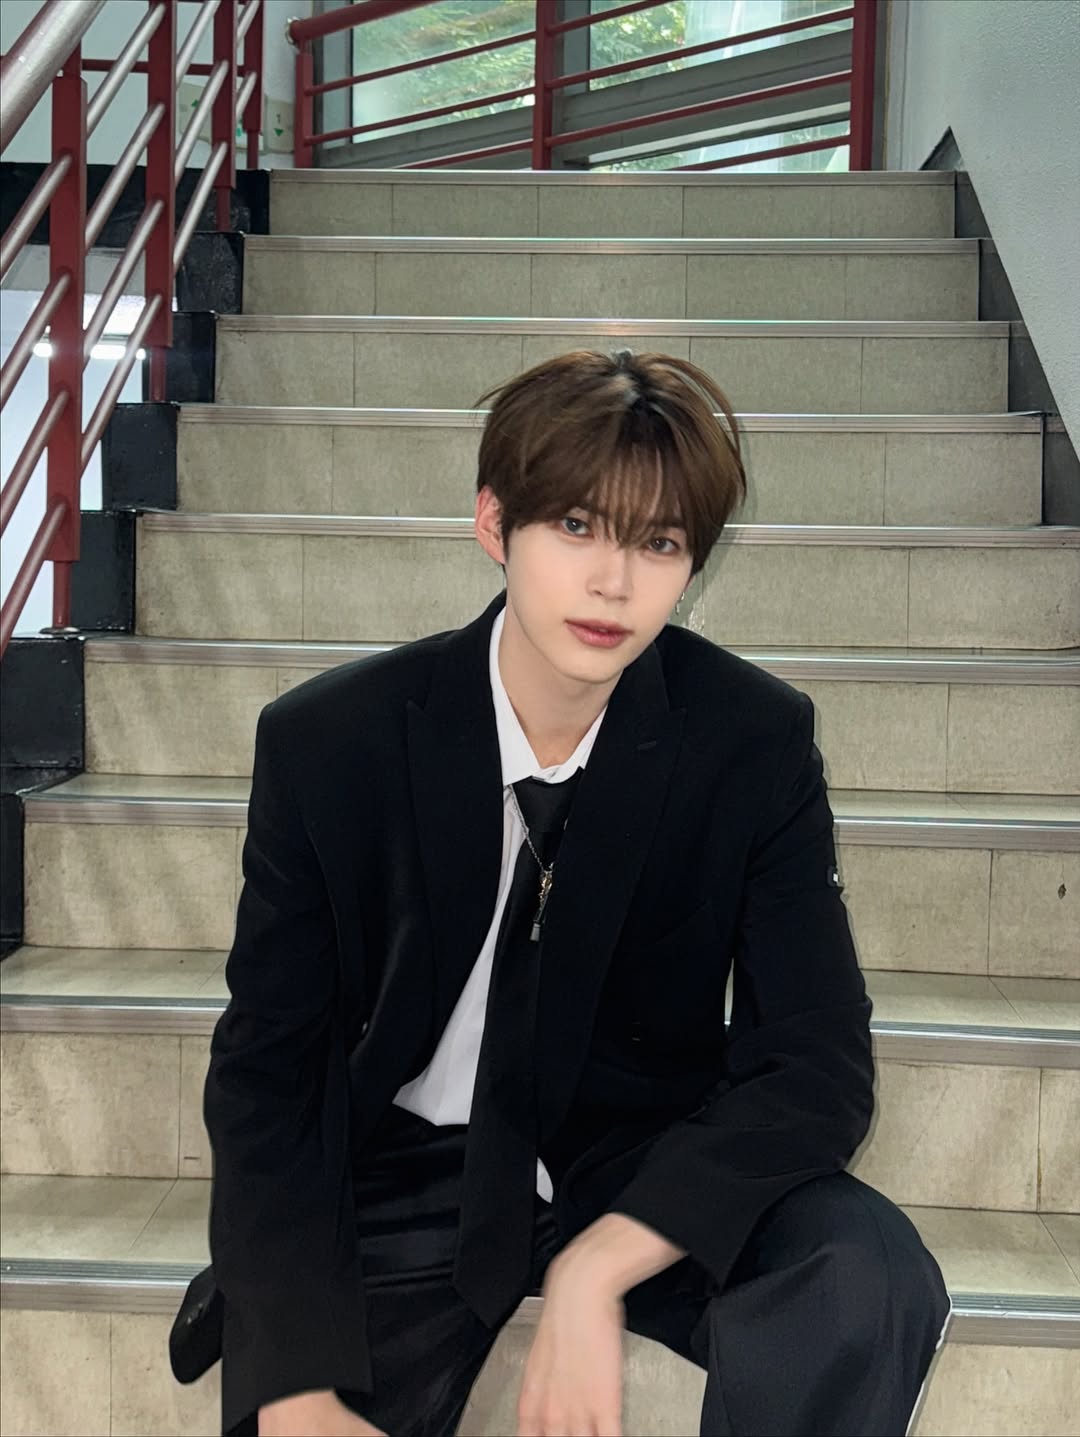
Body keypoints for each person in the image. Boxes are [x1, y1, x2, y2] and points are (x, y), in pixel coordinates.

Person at [186, 349, 953, 1437]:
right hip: (402, 1168)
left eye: (659, 542)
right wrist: (293, 1385)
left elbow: (817, 1061)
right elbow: (269, 1072)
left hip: (639, 1158)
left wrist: (603, 1263)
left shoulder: (752, 743)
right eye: (578, 526)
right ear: (494, 523)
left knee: (863, 1272)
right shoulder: (331, 744)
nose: (614, 583)